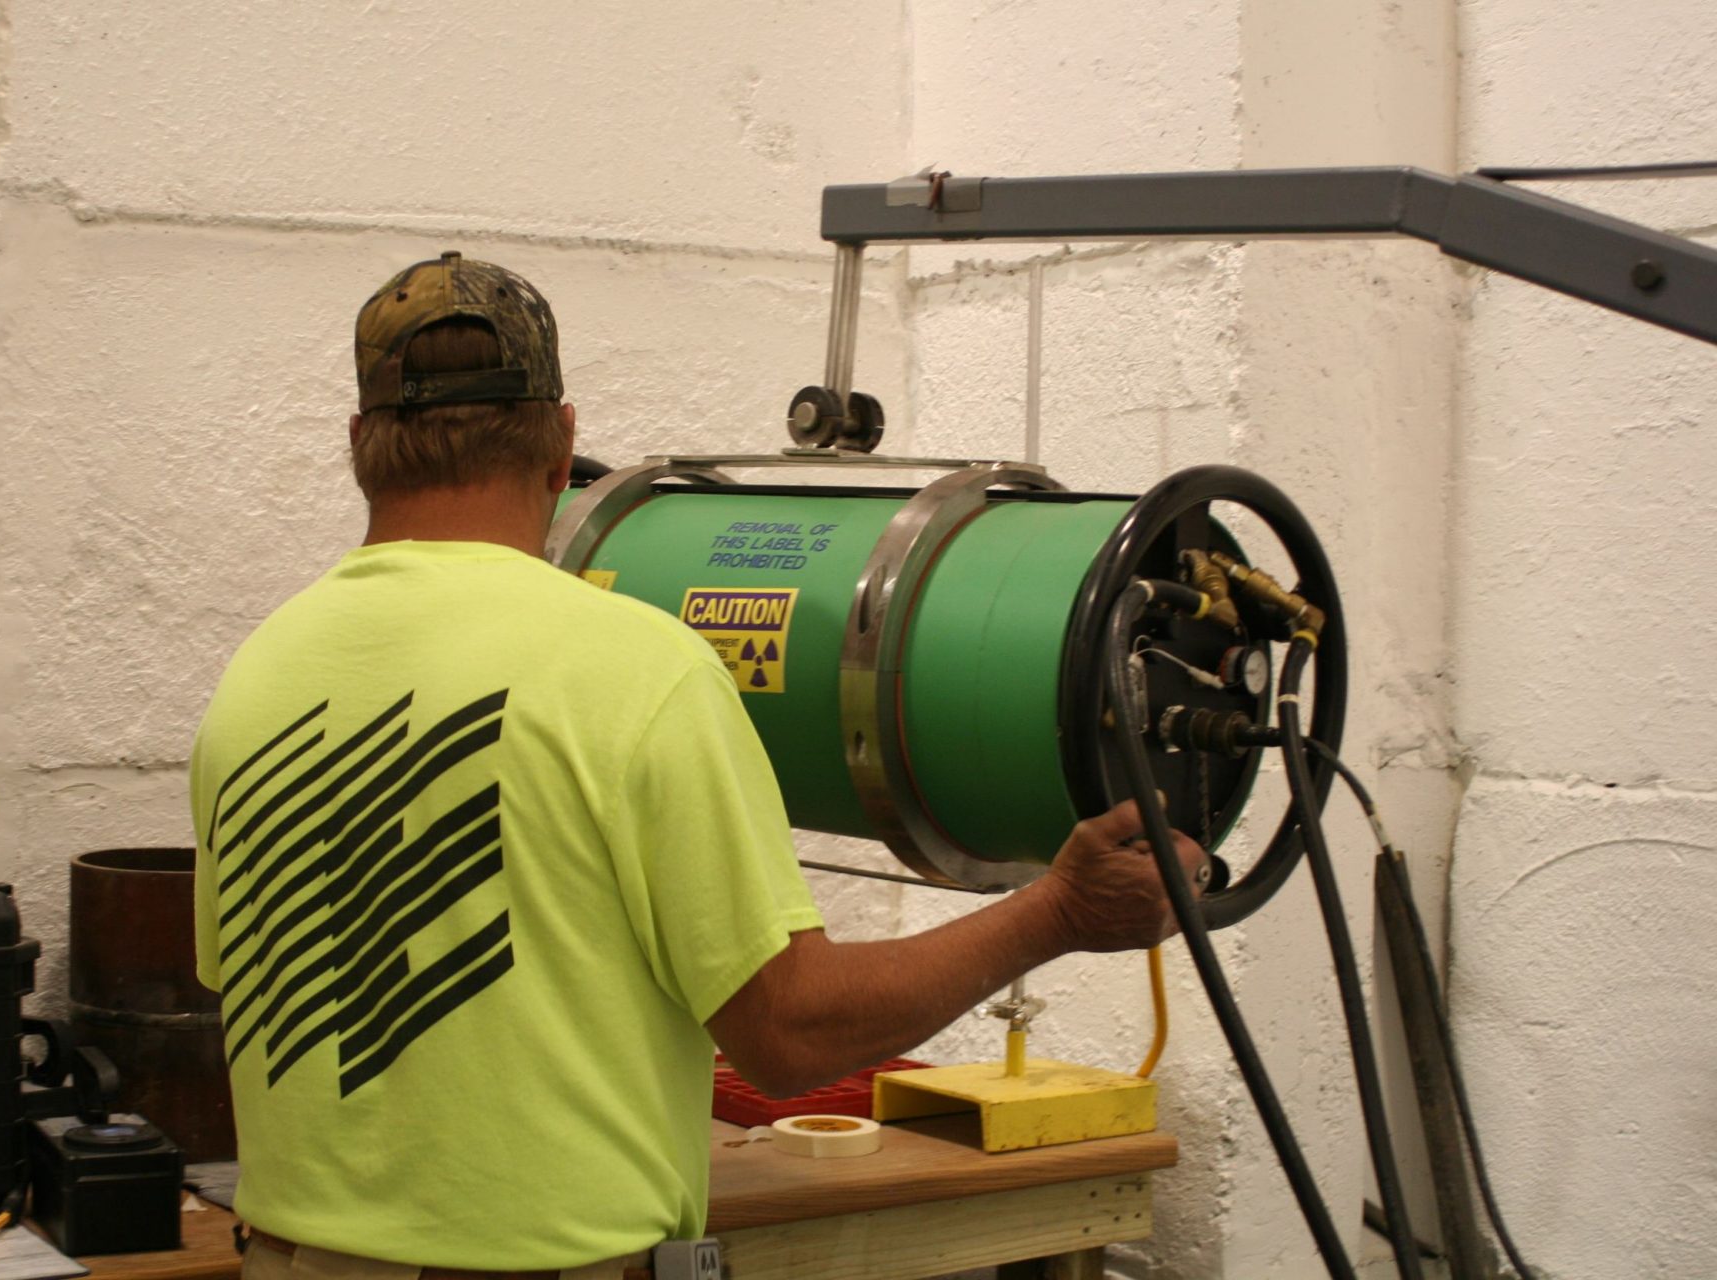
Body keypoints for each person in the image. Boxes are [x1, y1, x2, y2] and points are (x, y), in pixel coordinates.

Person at [190, 252, 1209, 1280]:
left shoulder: (257, 677)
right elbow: (789, 1033)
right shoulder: (636, 667)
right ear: (563, 448)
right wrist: (1057, 912)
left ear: (361, 444)